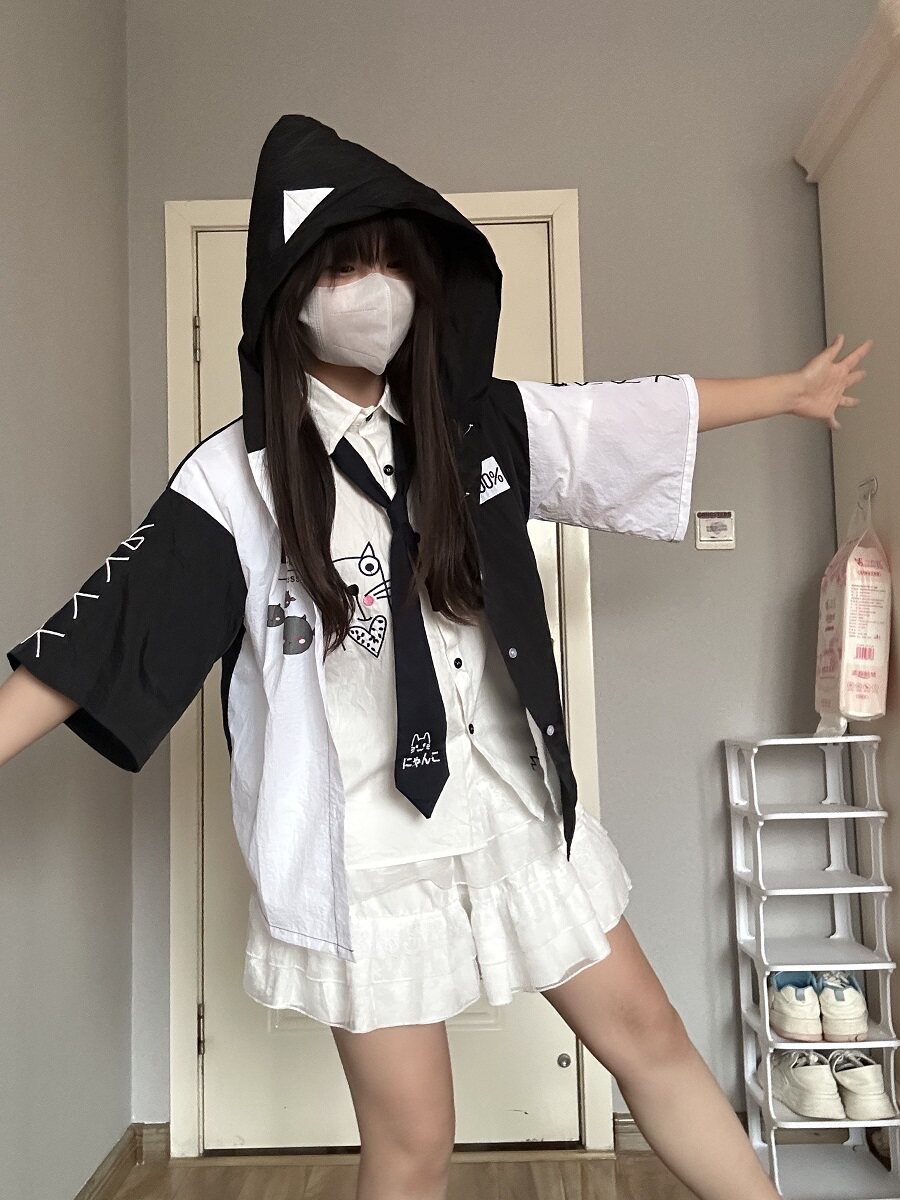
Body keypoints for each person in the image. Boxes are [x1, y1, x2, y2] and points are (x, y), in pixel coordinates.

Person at [0, 114, 872, 1200]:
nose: (372, 292)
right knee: (415, 1139)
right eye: (341, 269)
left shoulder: (476, 425)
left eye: (390, 265)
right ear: (288, 293)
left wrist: (787, 393)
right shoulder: (234, 482)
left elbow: (625, 419)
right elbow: (97, 639)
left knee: (653, 1038)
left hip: (509, 803)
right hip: (364, 849)